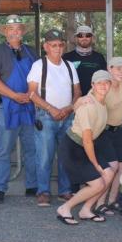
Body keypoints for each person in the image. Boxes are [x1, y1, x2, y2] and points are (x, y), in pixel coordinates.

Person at [0, 14, 39, 204]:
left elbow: (39, 78)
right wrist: (15, 95)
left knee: (31, 147)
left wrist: (30, 96)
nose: (15, 32)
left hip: (28, 105)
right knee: (3, 147)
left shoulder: (32, 52)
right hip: (5, 106)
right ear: (5, 32)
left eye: (18, 29)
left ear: (22, 32)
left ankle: (33, 185)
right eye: (11, 29)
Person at [56, 70, 116, 225]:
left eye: (106, 82)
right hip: (73, 148)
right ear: (93, 85)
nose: (103, 86)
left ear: (110, 85)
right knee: (98, 183)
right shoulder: (88, 105)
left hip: (86, 146)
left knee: (109, 174)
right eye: (99, 83)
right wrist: (96, 165)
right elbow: (87, 140)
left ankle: (86, 210)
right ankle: (65, 208)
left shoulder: (101, 102)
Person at [28, 29, 80, 207]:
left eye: (60, 45)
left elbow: (78, 91)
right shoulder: (38, 65)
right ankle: (43, 191)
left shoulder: (69, 66)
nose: (57, 48)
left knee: (66, 155)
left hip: (67, 116)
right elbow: (32, 94)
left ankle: (65, 190)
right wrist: (51, 109)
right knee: (44, 156)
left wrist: (68, 108)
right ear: (46, 47)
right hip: (46, 116)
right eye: (53, 45)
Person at [94, 57, 122, 215]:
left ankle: (112, 200)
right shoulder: (104, 85)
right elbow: (89, 99)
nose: (121, 72)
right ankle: (99, 202)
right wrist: (80, 102)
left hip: (119, 130)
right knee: (112, 166)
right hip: (104, 131)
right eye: (117, 69)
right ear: (109, 68)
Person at [63, 25, 107, 97]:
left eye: (88, 35)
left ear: (92, 38)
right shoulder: (67, 57)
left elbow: (105, 79)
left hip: (94, 100)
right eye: (80, 35)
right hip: (72, 101)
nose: (84, 38)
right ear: (76, 38)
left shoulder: (99, 57)